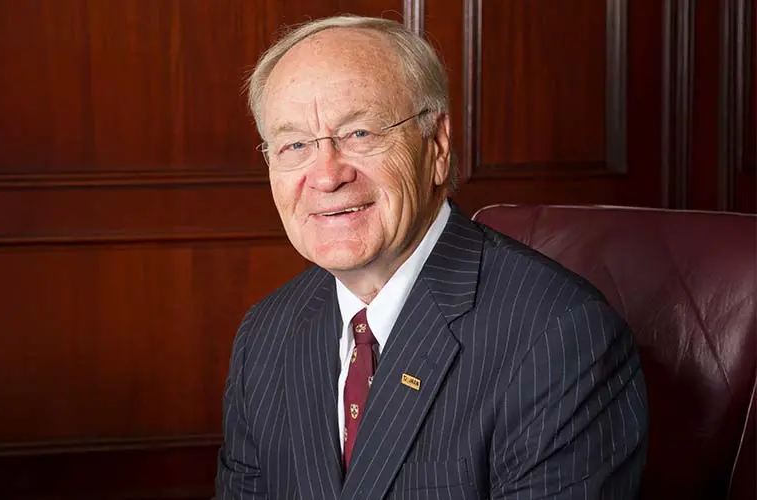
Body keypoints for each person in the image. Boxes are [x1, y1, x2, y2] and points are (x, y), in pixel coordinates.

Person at [215, 15, 648, 500]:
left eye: (359, 133)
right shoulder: (266, 333)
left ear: (437, 146)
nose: (326, 176)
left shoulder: (560, 335)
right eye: (295, 144)